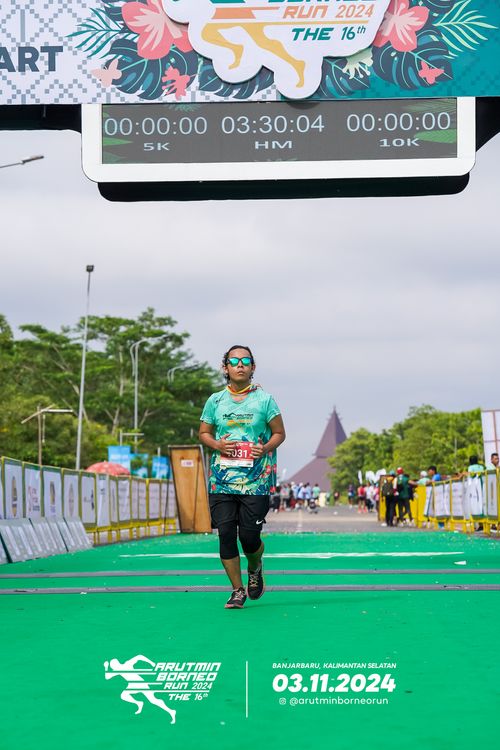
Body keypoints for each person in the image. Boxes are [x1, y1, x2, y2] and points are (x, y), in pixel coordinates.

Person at [199, 345, 286, 609]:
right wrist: (217, 445)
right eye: (234, 361)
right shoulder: (215, 401)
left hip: (256, 481)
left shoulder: (265, 400)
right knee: (226, 534)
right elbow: (204, 433)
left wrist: (265, 448)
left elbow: (279, 433)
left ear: (252, 367)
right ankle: (237, 590)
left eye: (245, 361)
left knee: (249, 538)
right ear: (225, 367)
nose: (240, 365)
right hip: (221, 480)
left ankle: (255, 566)